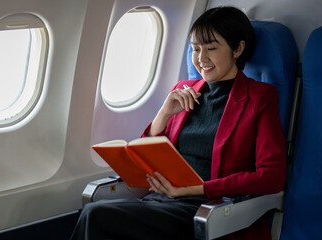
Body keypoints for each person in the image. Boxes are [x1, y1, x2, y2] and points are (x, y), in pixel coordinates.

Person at [70, 6, 286, 240]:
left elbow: (271, 176)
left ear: (238, 49)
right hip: (161, 201)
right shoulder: (183, 91)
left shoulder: (259, 97)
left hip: (208, 210)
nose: (201, 59)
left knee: (97, 215)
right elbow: (148, 158)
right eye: (195, 49)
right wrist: (164, 113)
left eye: (211, 48)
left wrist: (198, 188)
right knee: (100, 216)